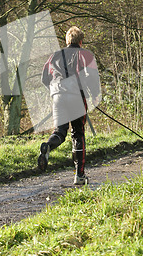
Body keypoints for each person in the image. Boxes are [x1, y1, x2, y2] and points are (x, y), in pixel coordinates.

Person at [38, 26, 100, 185]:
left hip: (57, 95)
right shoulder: (85, 54)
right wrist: (94, 95)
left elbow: (44, 78)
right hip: (76, 96)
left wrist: (54, 92)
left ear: (67, 41)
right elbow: (92, 76)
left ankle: (47, 147)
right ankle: (79, 176)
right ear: (80, 41)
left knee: (60, 131)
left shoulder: (54, 56)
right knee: (78, 133)